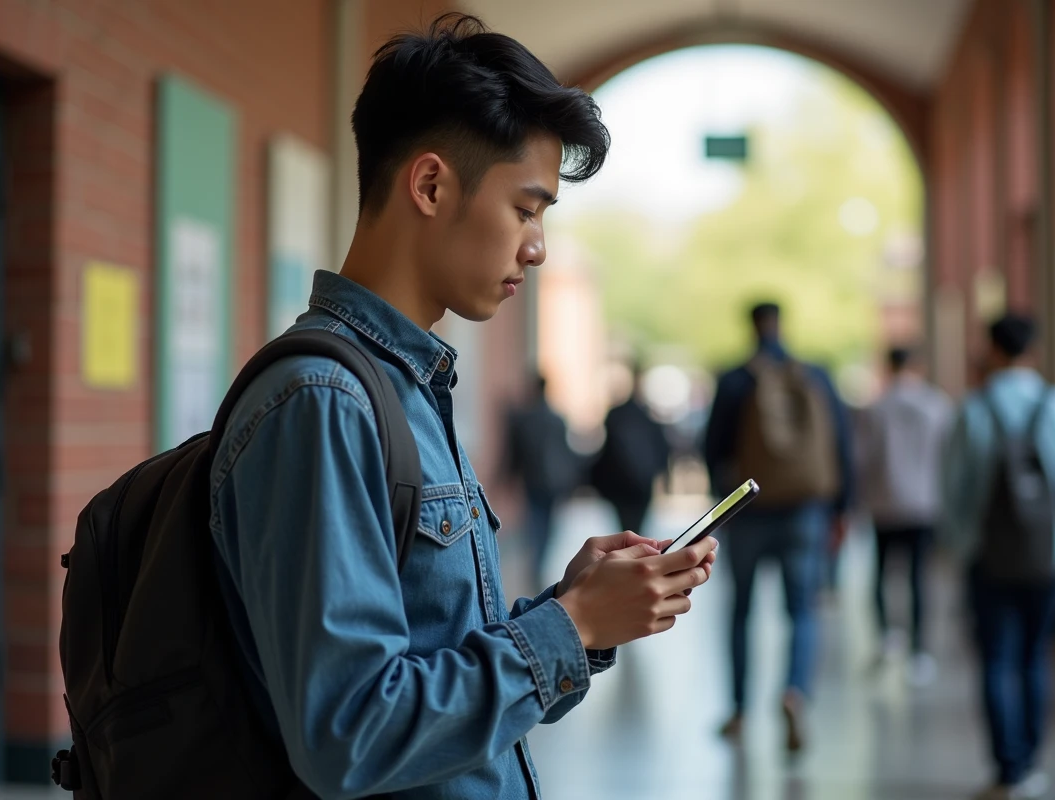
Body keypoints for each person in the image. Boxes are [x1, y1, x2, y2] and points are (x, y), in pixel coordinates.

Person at [208, 15, 719, 799]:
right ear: (431, 184)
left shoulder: (407, 386)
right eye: (526, 209)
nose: (539, 246)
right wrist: (571, 626)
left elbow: (430, 657)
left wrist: (575, 604)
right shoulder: (325, 403)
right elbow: (349, 733)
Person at [941, 313, 1055, 800]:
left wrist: (964, 546)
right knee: (1035, 659)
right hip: (1048, 559)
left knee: (996, 661)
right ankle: (1031, 764)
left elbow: (954, 493)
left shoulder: (973, 409)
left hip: (987, 558)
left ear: (991, 350)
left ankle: (1007, 771)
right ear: (1033, 349)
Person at [703, 301, 853, 751]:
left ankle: (739, 711)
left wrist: (719, 511)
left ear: (750, 326)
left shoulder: (734, 380)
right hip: (805, 510)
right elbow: (841, 443)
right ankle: (794, 691)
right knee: (802, 610)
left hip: (749, 510)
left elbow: (712, 448)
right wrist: (841, 508)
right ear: (782, 324)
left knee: (741, 612)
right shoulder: (815, 375)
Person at [857, 346, 953, 686]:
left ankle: (887, 635)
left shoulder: (876, 408)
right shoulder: (937, 405)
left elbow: (862, 459)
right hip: (925, 505)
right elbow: (949, 457)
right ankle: (920, 652)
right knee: (918, 579)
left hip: (885, 503)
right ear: (918, 365)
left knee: (881, 573)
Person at [504, 373, 581, 591]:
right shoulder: (557, 418)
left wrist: (507, 478)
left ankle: (538, 566)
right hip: (555, 482)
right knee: (547, 527)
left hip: (534, 480)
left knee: (536, 525)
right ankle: (540, 564)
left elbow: (515, 453)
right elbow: (567, 453)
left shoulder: (525, 418)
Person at [590, 363, 672, 536]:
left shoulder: (617, 414)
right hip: (640, 484)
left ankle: (628, 553)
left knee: (625, 527)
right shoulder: (648, 416)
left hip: (620, 484)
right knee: (636, 528)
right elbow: (662, 448)